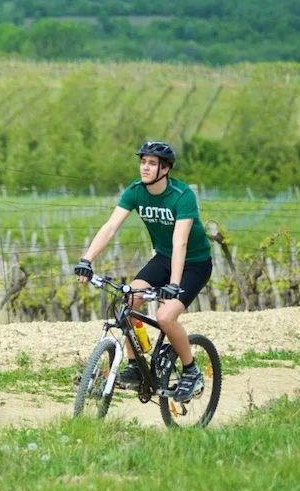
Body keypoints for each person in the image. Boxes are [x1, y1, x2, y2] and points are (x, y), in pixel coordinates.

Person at [74, 141, 213, 402]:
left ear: (165, 168)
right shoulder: (136, 191)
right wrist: (87, 259)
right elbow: (110, 228)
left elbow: (180, 242)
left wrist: (173, 285)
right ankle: (136, 366)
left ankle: (191, 371)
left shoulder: (181, 195)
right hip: (163, 258)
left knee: (165, 316)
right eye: (143, 162)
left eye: (152, 163)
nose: (145, 167)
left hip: (194, 263)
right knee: (129, 299)